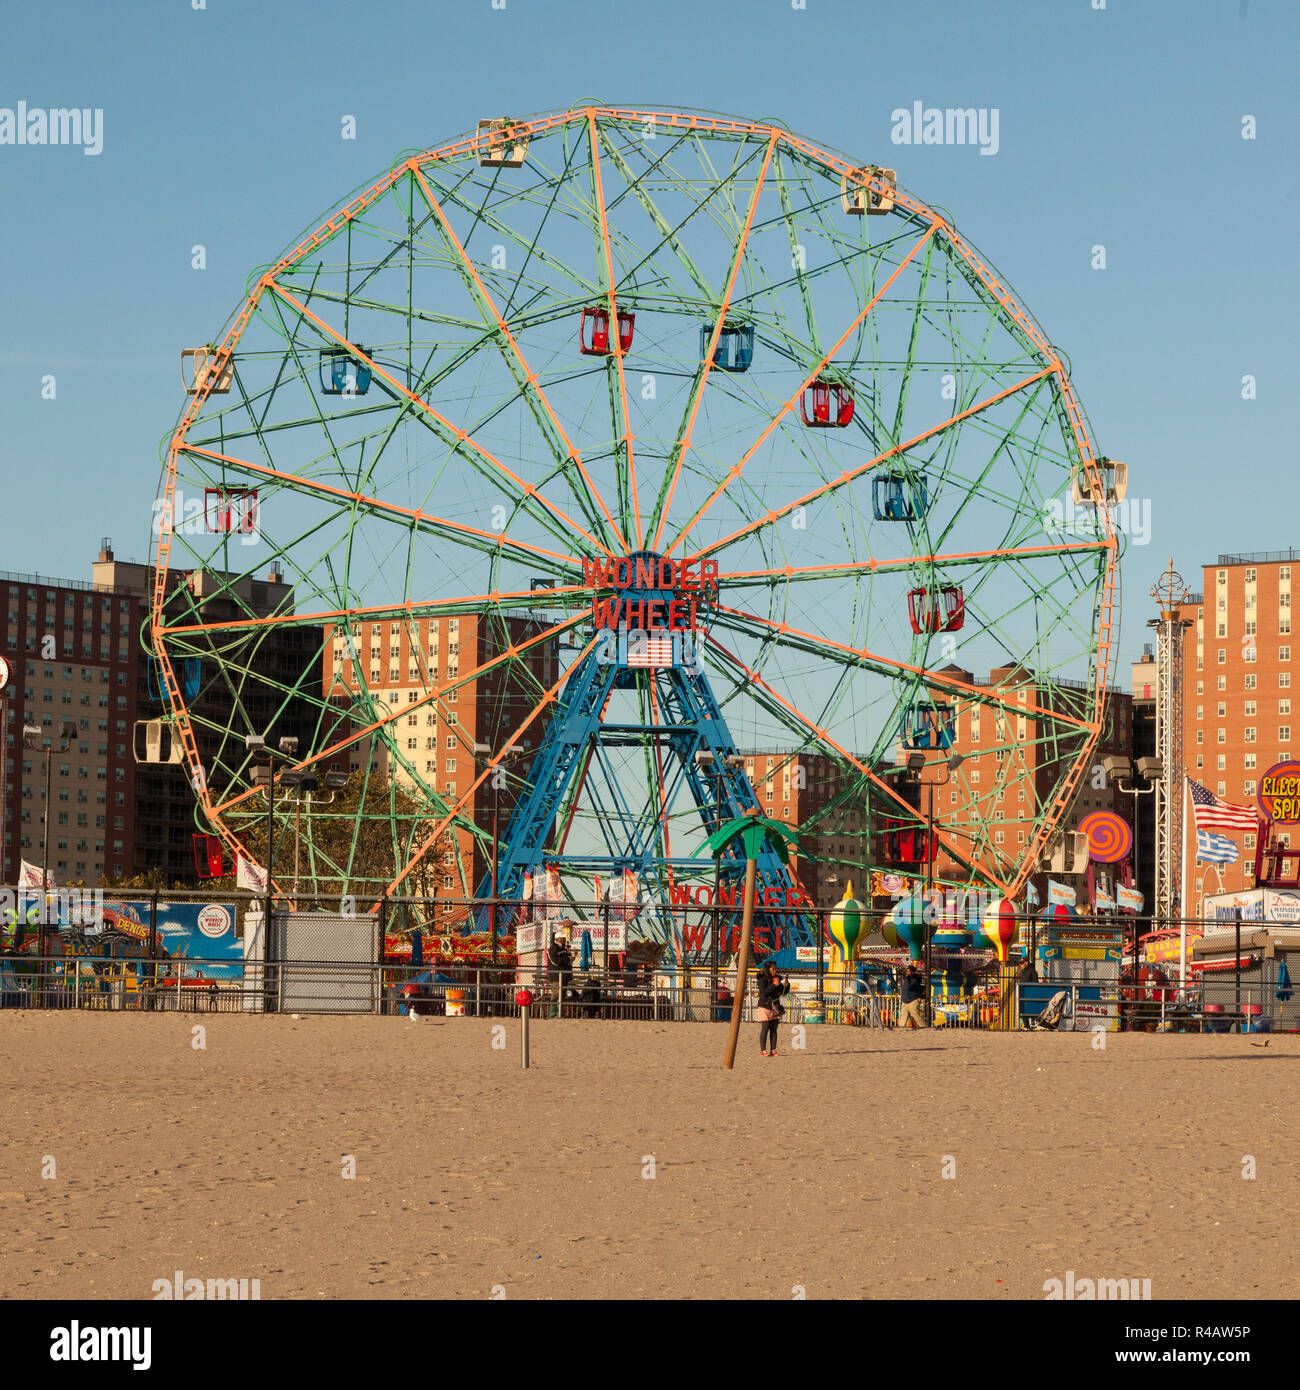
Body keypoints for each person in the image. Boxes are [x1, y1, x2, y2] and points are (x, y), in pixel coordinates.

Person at [756, 961, 789, 1056]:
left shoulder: (778, 978)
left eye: (776, 969)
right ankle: (763, 1050)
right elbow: (764, 993)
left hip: (775, 1006)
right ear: (768, 969)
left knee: (774, 1029)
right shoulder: (762, 980)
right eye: (773, 969)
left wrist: (786, 986)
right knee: (765, 1027)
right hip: (764, 1006)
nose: (775, 970)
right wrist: (774, 985)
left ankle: (773, 1049)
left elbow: (783, 992)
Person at [899, 961, 927, 1028]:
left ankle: (924, 1026)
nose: (907, 973)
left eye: (908, 971)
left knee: (915, 1014)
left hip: (913, 999)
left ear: (913, 972)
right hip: (905, 1000)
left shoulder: (915, 980)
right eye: (907, 971)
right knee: (903, 1014)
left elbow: (910, 987)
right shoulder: (907, 979)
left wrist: (906, 979)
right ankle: (901, 1028)